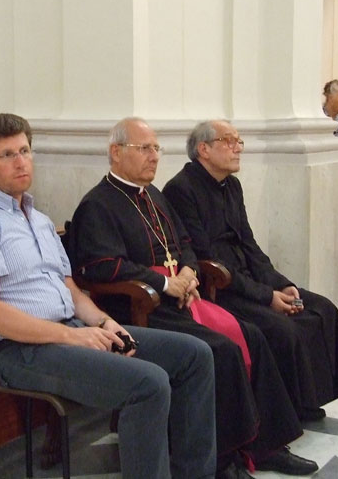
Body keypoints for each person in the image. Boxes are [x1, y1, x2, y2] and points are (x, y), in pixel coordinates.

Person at [0, 113, 217, 479]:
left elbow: (70, 290)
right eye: (7, 155)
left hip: (67, 331)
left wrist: (106, 323)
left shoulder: (37, 219)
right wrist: (74, 336)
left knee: (194, 355)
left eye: (25, 150)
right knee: (148, 385)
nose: (21, 161)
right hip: (20, 350)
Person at [70, 117, 319, 478]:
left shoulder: (152, 195)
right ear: (115, 152)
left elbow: (185, 243)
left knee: (253, 335)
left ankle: (265, 447)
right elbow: (102, 267)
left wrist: (187, 272)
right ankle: (223, 460)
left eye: (157, 148)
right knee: (221, 351)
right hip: (140, 309)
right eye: (145, 148)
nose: (154, 156)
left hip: (178, 298)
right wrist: (162, 282)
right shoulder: (98, 204)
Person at [163, 120, 338, 422]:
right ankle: (285, 412)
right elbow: (205, 257)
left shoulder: (231, 185)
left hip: (248, 276)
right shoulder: (181, 189)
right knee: (281, 329)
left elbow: (248, 242)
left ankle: (308, 397)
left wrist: (281, 284)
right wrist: (267, 297)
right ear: (204, 149)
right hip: (220, 286)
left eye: (239, 141)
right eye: (229, 141)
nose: (238, 148)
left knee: (323, 310)